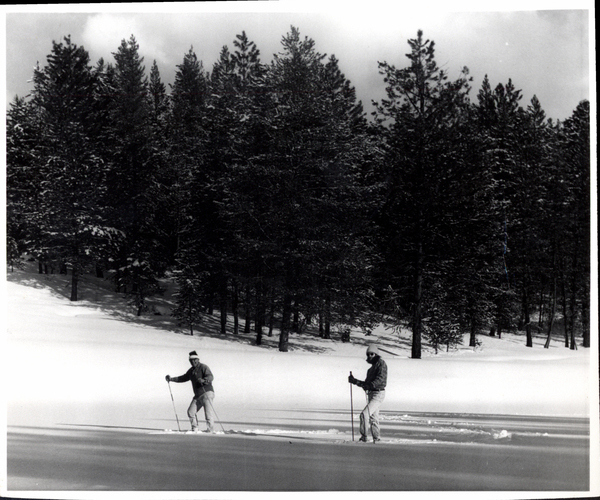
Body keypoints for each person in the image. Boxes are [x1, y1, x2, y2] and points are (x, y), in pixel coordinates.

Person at [166, 350, 216, 433]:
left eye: (194, 360)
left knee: (208, 413)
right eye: (191, 361)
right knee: (190, 412)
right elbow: (183, 378)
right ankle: (195, 429)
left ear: (198, 359)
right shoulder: (191, 371)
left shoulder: (204, 367)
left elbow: (210, 377)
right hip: (197, 395)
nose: (193, 362)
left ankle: (210, 430)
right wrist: (171, 379)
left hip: (207, 393)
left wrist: (204, 380)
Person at [348, 345, 387, 443]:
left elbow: (380, 379)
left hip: (378, 394)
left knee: (364, 415)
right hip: (371, 394)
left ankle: (364, 438)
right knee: (373, 418)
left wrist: (370, 385)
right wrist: (354, 381)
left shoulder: (381, 364)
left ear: (376, 354)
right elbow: (366, 384)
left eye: (372, 354)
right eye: (368, 354)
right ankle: (377, 439)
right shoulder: (370, 370)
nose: (370, 356)